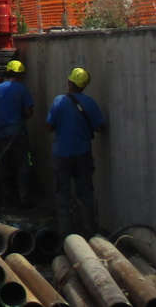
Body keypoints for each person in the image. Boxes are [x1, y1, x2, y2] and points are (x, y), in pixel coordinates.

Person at [46, 65, 106, 239]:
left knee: (63, 194)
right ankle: (91, 233)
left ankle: (66, 235)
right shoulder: (90, 103)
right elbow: (100, 126)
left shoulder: (59, 101)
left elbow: (49, 126)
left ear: (69, 82)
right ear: (84, 85)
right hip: (82, 154)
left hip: (61, 155)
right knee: (86, 193)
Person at [0, 58, 34, 206]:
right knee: (23, 166)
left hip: (0, 134)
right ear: (20, 75)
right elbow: (29, 111)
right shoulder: (21, 89)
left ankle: (6, 200)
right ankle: (24, 199)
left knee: (4, 167)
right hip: (18, 134)